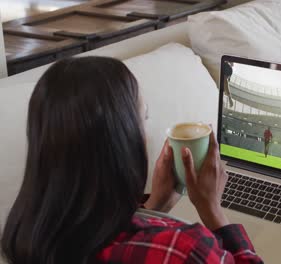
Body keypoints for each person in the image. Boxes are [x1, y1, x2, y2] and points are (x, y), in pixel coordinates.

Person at [0, 57, 263, 264]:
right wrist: (212, 209)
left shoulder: (24, 235)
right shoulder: (184, 249)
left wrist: (154, 206)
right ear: (122, 140)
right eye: (143, 118)